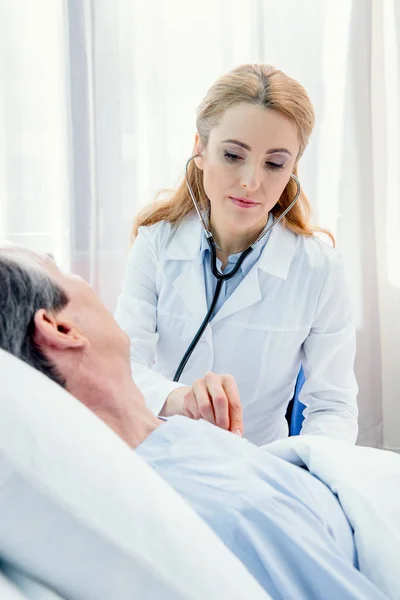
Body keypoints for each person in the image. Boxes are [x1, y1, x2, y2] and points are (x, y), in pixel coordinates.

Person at [0, 247, 384, 599]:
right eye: (62, 270)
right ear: (61, 330)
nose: (83, 280)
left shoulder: (179, 446)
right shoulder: (233, 509)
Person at [114, 64, 358, 445]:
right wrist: (181, 399)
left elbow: (333, 406)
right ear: (200, 149)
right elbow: (123, 369)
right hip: (162, 460)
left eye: (275, 163)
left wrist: (301, 476)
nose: (251, 181)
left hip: (263, 471)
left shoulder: (320, 270)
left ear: (292, 168)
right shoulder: (156, 244)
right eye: (232, 155)